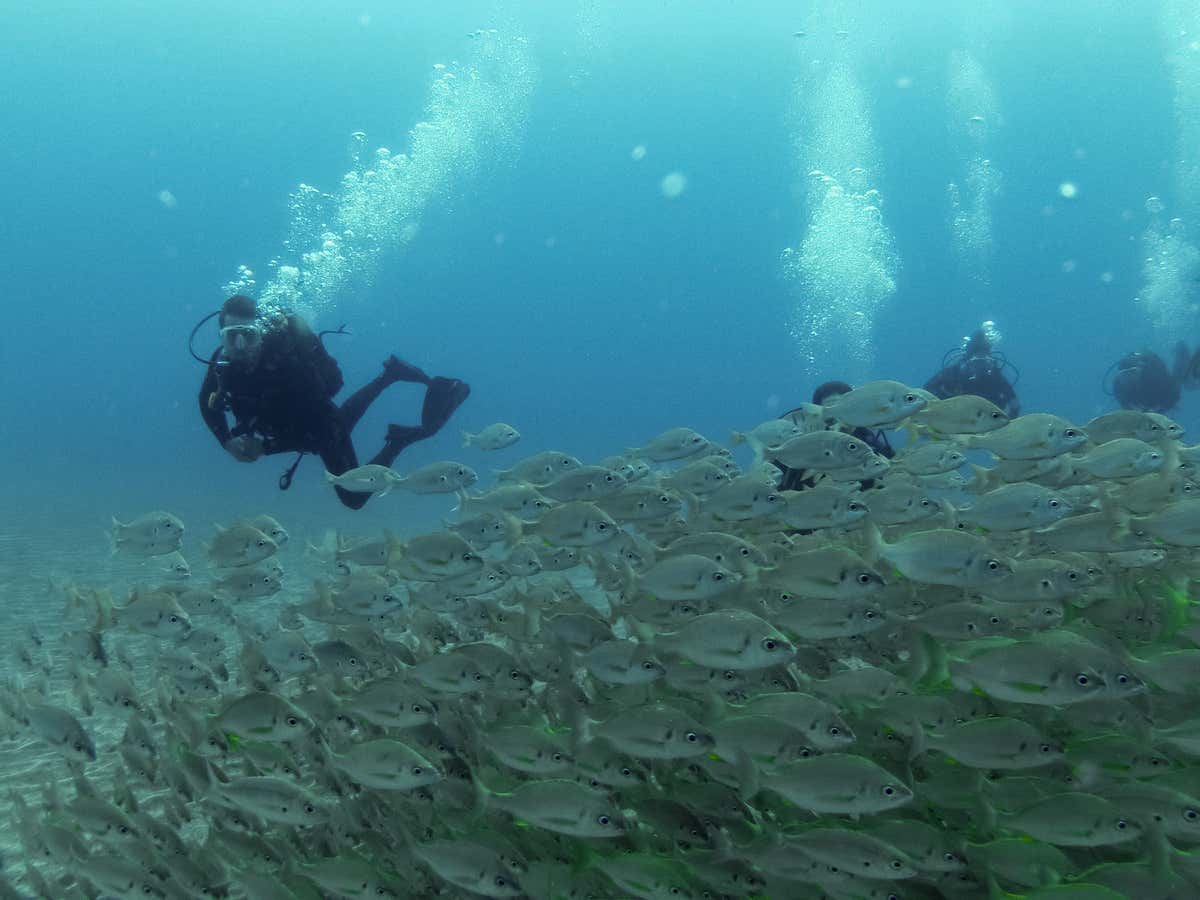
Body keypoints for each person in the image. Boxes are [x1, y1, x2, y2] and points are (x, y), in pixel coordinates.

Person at [197, 295, 470, 509]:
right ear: (222, 337)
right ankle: (389, 375)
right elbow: (204, 401)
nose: (240, 345)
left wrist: (266, 448)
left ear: (261, 331)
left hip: (319, 425)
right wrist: (226, 441)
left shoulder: (288, 364)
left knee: (353, 496)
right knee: (345, 421)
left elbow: (318, 432)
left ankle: (398, 441)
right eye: (231, 336)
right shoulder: (222, 365)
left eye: (248, 334)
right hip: (296, 427)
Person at [774, 380, 895, 492]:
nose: (839, 424)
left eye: (844, 414)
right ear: (815, 417)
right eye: (830, 418)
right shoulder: (798, 446)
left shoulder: (873, 445)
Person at [924, 325, 1020, 418]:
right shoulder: (952, 373)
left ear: (989, 357)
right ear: (967, 358)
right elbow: (926, 391)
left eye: (983, 356)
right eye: (976, 356)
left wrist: (1004, 424)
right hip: (951, 421)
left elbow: (1014, 404)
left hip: (986, 425)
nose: (979, 362)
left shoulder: (995, 377)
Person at [1109, 346, 1186, 413]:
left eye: (1132, 372)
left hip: (1160, 390)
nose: (1129, 377)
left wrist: (1160, 410)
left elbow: (1173, 394)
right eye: (1124, 374)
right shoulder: (1119, 385)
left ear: (1139, 370)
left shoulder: (1154, 376)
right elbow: (1124, 404)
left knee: (1177, 381)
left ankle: (1181, 354)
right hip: (1145, 400)